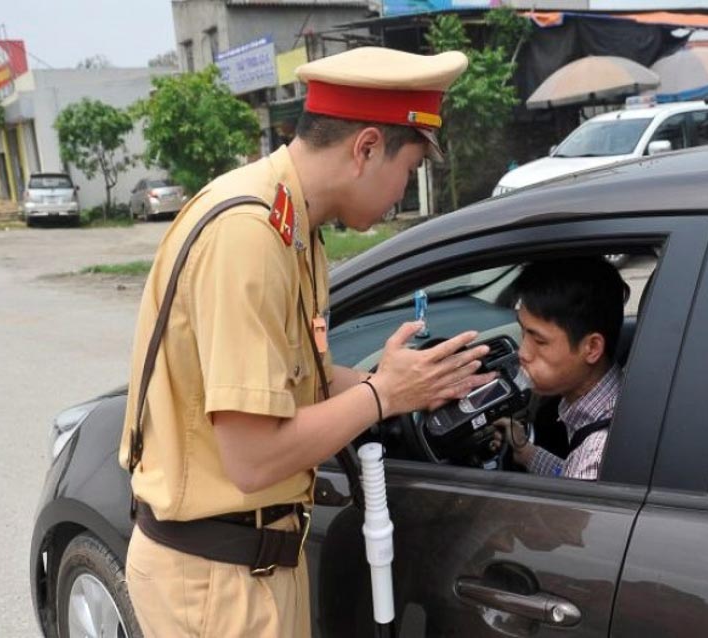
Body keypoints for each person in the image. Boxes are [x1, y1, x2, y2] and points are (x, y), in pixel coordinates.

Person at [117, 46, 495, 638]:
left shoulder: (292, 225)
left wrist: (409, 385)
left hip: (250, 564)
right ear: (367, 148)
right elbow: (252, 457)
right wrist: (382, 397)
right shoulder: (249, 236)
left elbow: (297, 381)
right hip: (218, 581)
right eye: (412, 168)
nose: (404, 190)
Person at [496, 257, 627, 480]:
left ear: (592, 348)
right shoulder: (612, 395)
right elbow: (567, 473)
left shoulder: (595, 457)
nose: (523, 353)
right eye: (523, 332)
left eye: (539, 341)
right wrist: (525, 452)